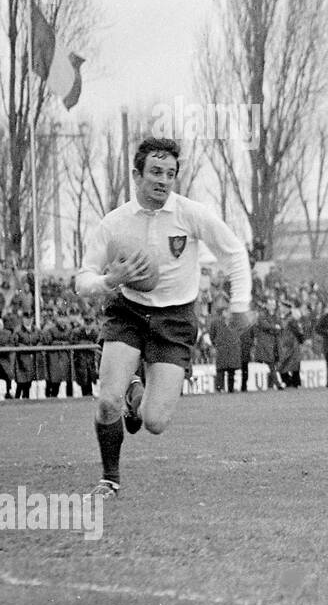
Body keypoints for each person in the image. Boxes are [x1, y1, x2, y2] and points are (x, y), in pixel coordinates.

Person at [75, 137, 254, 498]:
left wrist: (240, 302)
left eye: (170, 173)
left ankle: (136, 394)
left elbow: (234, 253)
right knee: (107, 399)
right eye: (155, 172)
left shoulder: (191, 214)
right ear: (136, 174)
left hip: (175, 320)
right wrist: (111, 280)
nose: (163, 180)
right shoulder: (115, 223)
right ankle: (110, 480)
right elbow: (82, 280)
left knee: (155, 422)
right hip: (128, 312)